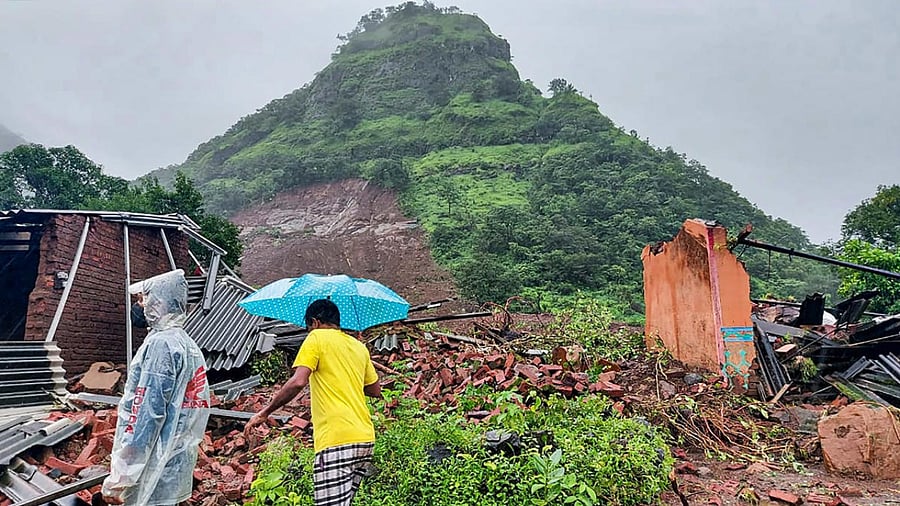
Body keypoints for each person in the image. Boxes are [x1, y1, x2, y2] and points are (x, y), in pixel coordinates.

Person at [244, 298, 382, 506]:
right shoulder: (358, 346)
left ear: (315, 322)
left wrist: (265, 412)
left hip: (336, 440)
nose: (309, 331)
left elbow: (298, 382)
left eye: (308, 327)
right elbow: (374, 390)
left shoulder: (316, 338)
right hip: (364, 439)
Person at [101, 269, 211, 506]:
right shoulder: (187, 345)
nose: (138, 306)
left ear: (158, 303)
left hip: (152, 470)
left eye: (142, 299)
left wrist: (121, 476)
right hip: (175, 466)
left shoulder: (161, 345)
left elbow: (146, 415)